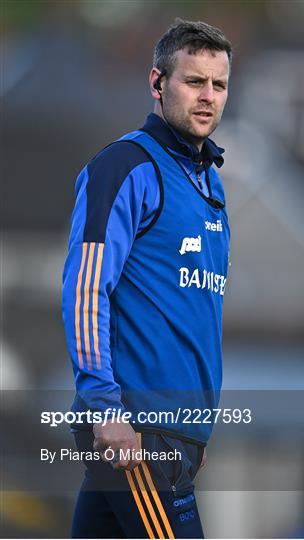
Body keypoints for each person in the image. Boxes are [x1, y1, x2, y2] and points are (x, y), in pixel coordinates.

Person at [62, 18, 232, 539]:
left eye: (219, 85)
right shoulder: (127, 167)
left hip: (174, 438)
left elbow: (196, 316)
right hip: (136, 433)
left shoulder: (211, 186)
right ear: (157, 83)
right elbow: (86, 290)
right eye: (193, 81)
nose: (208, 97)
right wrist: (105, 408)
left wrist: (194, 433)